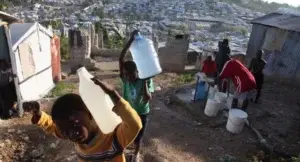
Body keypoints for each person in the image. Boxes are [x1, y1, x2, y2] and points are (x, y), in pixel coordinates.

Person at [23, 79, 142, 162]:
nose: (71, 134)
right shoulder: (76, 136)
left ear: (89, 114)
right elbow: (54, 128)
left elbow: (134, 125)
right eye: (66, 132)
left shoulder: (113, 138)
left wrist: (114, 95)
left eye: (75, 125)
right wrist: (39, 115)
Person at [119, 30, 154, 161]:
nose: (129, 78)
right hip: (129, 111)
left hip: (142, 113)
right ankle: (123, 151)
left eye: (132, 75)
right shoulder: (125, 79)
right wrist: (130, 41)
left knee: (138, 137)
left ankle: (136, 154)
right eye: (126, 75)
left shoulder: (145, 79)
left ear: (137, 72)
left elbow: (147, 98)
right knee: (125, 133)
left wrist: (145, 81)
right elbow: (121, 58)